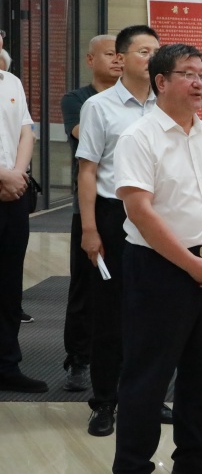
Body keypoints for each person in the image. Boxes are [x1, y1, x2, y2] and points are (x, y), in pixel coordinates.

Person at [112, 43, 202, 474]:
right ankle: (133, 468)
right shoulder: (139, 137)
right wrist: (191, 265)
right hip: (159, 269)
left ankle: (193, 456)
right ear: (161, 81)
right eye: (188, 74)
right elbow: (140, 211)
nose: (199, 83)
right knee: (149, 372)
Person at [77, 25, 165, 437]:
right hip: (113, 215)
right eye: (143, 51)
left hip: (158, 216)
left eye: (156, 51)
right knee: (111, 314)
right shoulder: (99, 106)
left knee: (154, 312)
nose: (151, 58)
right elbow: (88, 170)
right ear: (122, 58)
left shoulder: (166, 104)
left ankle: (147, 396)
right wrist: (90, 228)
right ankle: (105, 402)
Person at [59, 35, 122, 392]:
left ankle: (123, 364)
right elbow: (83, 135)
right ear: (90, 59)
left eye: (120, 54)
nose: (116, 60)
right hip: (89, 204)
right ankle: (78, 359)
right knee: (85, 285)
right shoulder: (78, 100)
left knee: (125, 287)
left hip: (128, 206)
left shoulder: (141, 100)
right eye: (109, 54)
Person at [0, 56, 45, 394]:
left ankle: (6, 364)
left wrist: (16, 174)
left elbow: (26, 132)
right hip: (7, 182)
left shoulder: (11, 82)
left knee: (9, 283)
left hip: (13, 193)